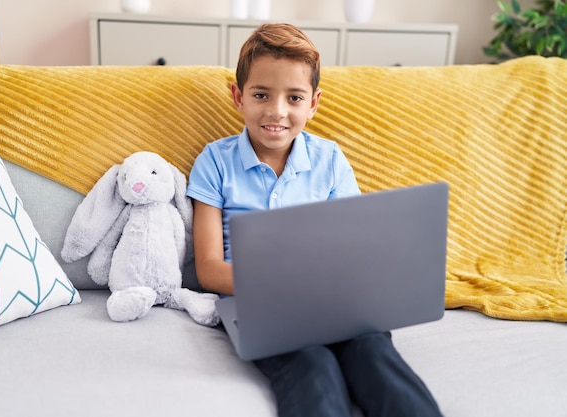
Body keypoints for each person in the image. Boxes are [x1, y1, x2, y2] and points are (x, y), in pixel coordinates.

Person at [186, 23, 442, 417]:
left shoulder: (331, 160)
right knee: (312, 366)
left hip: (334, 306)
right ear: (238, 97)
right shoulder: (215, 162)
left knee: (374, 354)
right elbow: (209, 270)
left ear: (314, 103)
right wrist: (285, 288)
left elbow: (354, 254)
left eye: (294, 97)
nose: (277, 111)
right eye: (261, 95)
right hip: (259, 309)